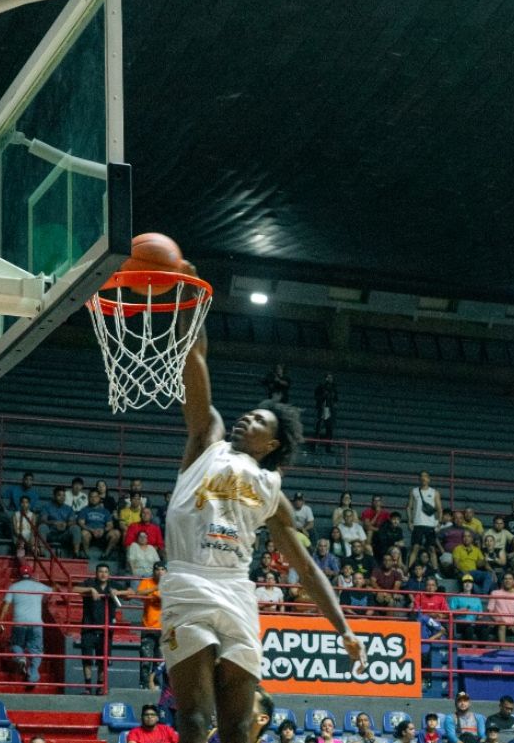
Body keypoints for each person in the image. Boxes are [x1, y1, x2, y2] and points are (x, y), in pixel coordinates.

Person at [162, 292, 364, 743]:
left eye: (257, 420)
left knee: (238, 727)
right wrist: (189, 301)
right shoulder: (206, 440)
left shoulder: (273, 492)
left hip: (237, 592)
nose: (245, 419)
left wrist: (345, 630)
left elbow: (307, 569)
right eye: (247, 414)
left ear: (272, 444)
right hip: (189, 584)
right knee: (195, 721)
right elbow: (194, 358)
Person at [74, 562, 134, 693]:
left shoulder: (113, 585)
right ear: (96, 573)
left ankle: (100, 687)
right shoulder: (90, 583)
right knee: (87, 659)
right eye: (100, 571)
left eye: (106, 572)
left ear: (109, 574)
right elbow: (74, 589)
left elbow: (131, 593)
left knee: (103, 660)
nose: (103, 574)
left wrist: (118, 592)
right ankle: (88, 687)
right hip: (88, 627)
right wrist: (90, 590)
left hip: (106, 629)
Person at [0, 564, 54, 684]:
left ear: (19, 574)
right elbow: (52, 591)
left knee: (16, 644)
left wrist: (0, 621)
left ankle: (20, 657)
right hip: (36, 624)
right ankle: (33, 675)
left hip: (19, 623)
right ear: (31, 574)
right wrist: (44, 598)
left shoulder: (14, 587)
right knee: (37, 650)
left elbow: (6, 605)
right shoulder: (39, 586)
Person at [407, 471, 442, 568]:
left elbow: (439, 509)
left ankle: (435, 571)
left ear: (429, 479)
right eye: (421, 476)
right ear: (419, 479)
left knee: (431, 548)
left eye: (426, 476)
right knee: (415, 547)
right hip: (417, 524)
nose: (423, 478)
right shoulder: (414, 491)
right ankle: (410, 569)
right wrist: (410, 521)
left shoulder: (434, 492)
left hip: (430, 525)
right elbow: (409, 507)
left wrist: (439, 522)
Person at [77, 489, 121, 560]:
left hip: (103, 533)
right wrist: (92, 530)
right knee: (84, 533)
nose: (93, 499)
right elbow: (81, 523)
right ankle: (86, 555)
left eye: (95, 497)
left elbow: (110, 525)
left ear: (99, 498)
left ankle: (106, 555)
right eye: (91, 497)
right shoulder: (84, 510)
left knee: (116, 533)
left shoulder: (105, 511)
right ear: (88, 498)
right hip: (90, 533)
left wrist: (103, 530)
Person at [38, 485, 81, 556]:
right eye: (59, 495)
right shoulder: (47, 507)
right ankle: (41, 553)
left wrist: (66, 524)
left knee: (76, 528)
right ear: (54, 496)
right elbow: (42, 520)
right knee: (42, 527)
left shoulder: (69, 508)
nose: (62, 498)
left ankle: (76, 553)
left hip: (64, 535)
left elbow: (72, 521)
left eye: (64, 496)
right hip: (50, 533)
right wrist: (54, 523)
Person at [313, 373, 337, 452]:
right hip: (323, 408)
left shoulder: (334, 387)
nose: (330, 379)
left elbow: (336, 399)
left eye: (331, 377)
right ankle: (315, 445)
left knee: (329, 428)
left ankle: (328, 447)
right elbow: (316, 397)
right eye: (328, 377)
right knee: (319, 427)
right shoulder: (321, 387)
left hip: (330, 409)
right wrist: (323, 396)